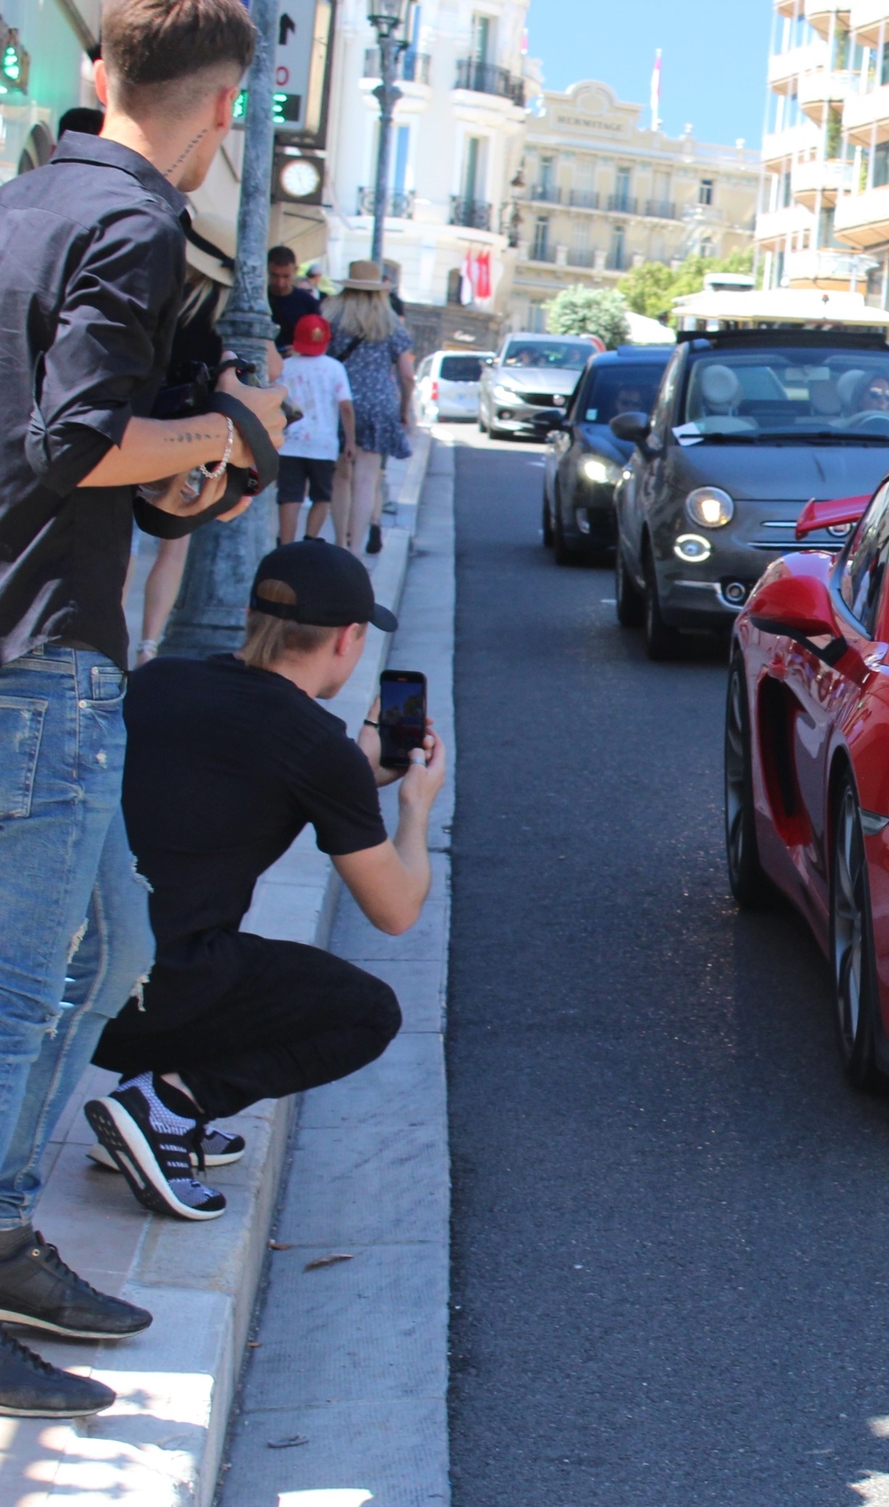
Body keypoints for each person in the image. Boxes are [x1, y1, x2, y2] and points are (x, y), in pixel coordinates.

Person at [0, 0, 279, 1420]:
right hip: (45, 658)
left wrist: (192, 461)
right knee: (24, 994)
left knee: (106, 953)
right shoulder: (137, 225)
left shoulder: (22, 202)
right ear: (226, 112)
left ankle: (4, 1231)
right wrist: (233, 433)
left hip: (38, 641)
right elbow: (75, 440)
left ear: (101, 72)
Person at [87, 541, 437, 1221]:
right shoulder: (315, 747)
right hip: (158, 995)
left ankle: (142, 1111)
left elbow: (231, 775)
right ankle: (165, 1103)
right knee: (367, 1011)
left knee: (217, 945)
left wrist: (351, 776)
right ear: (348, 639)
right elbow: (396, 909)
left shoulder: (158, 681)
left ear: (252, 616)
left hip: (73, 994)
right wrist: (413, 808)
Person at [132, 209, 243, 663]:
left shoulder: (157, 300)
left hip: (140, 432)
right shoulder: (223, 323)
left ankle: (113, 642)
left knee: (123, 545)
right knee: (171, 548)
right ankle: (148, 644)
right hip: (191, 441)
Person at [322, 259, 413, 555]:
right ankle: (356, 553)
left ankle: (338, 544)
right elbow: (407, 376)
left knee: (341, 476)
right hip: (379, 405)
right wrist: (404, 410)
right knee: (366, 480)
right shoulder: (391, 325)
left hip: (340, 403)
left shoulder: (332, 319)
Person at [276, 313, 352, 545]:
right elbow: (346, 407)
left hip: (289, 442)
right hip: (323, 444)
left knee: (290, 497)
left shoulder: (284, 367)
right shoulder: (335, 368)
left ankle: (285, 545)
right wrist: (350, 441)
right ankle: (309, 541)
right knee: (322, 496)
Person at [266, 243, 321, 348]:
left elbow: (317, 336)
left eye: (286, 276)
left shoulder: (308, 303)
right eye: (274, 275)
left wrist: (300, 348)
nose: (280, 282)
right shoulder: (258, 299)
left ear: (295, 271)